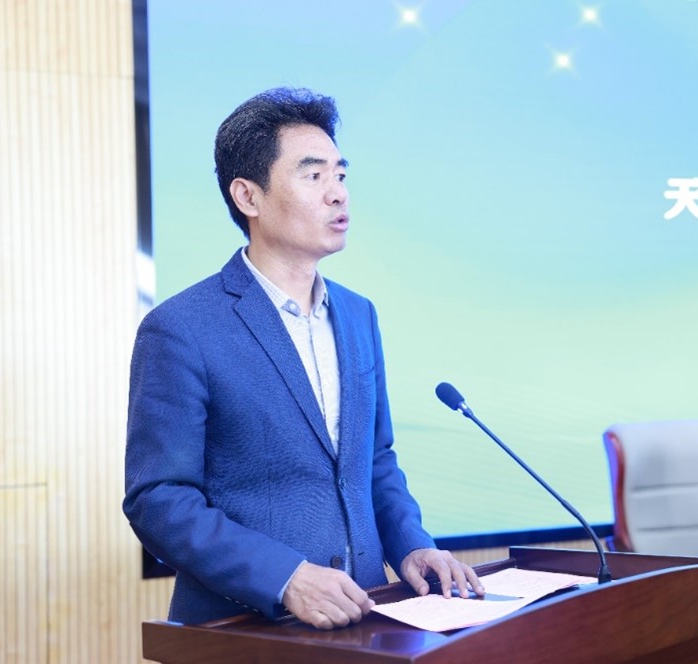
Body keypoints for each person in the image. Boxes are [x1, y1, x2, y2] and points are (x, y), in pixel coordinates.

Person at [123, 87, 484, 629]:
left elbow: (374, 460)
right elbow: (158, 499)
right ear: (248, 196)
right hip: (245, 632)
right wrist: (284, 577)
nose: (338, 194)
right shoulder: (180, 328)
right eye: (313, 176)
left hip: (364, 619)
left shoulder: (359, 316)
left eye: (340, 175)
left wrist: (411, 545)